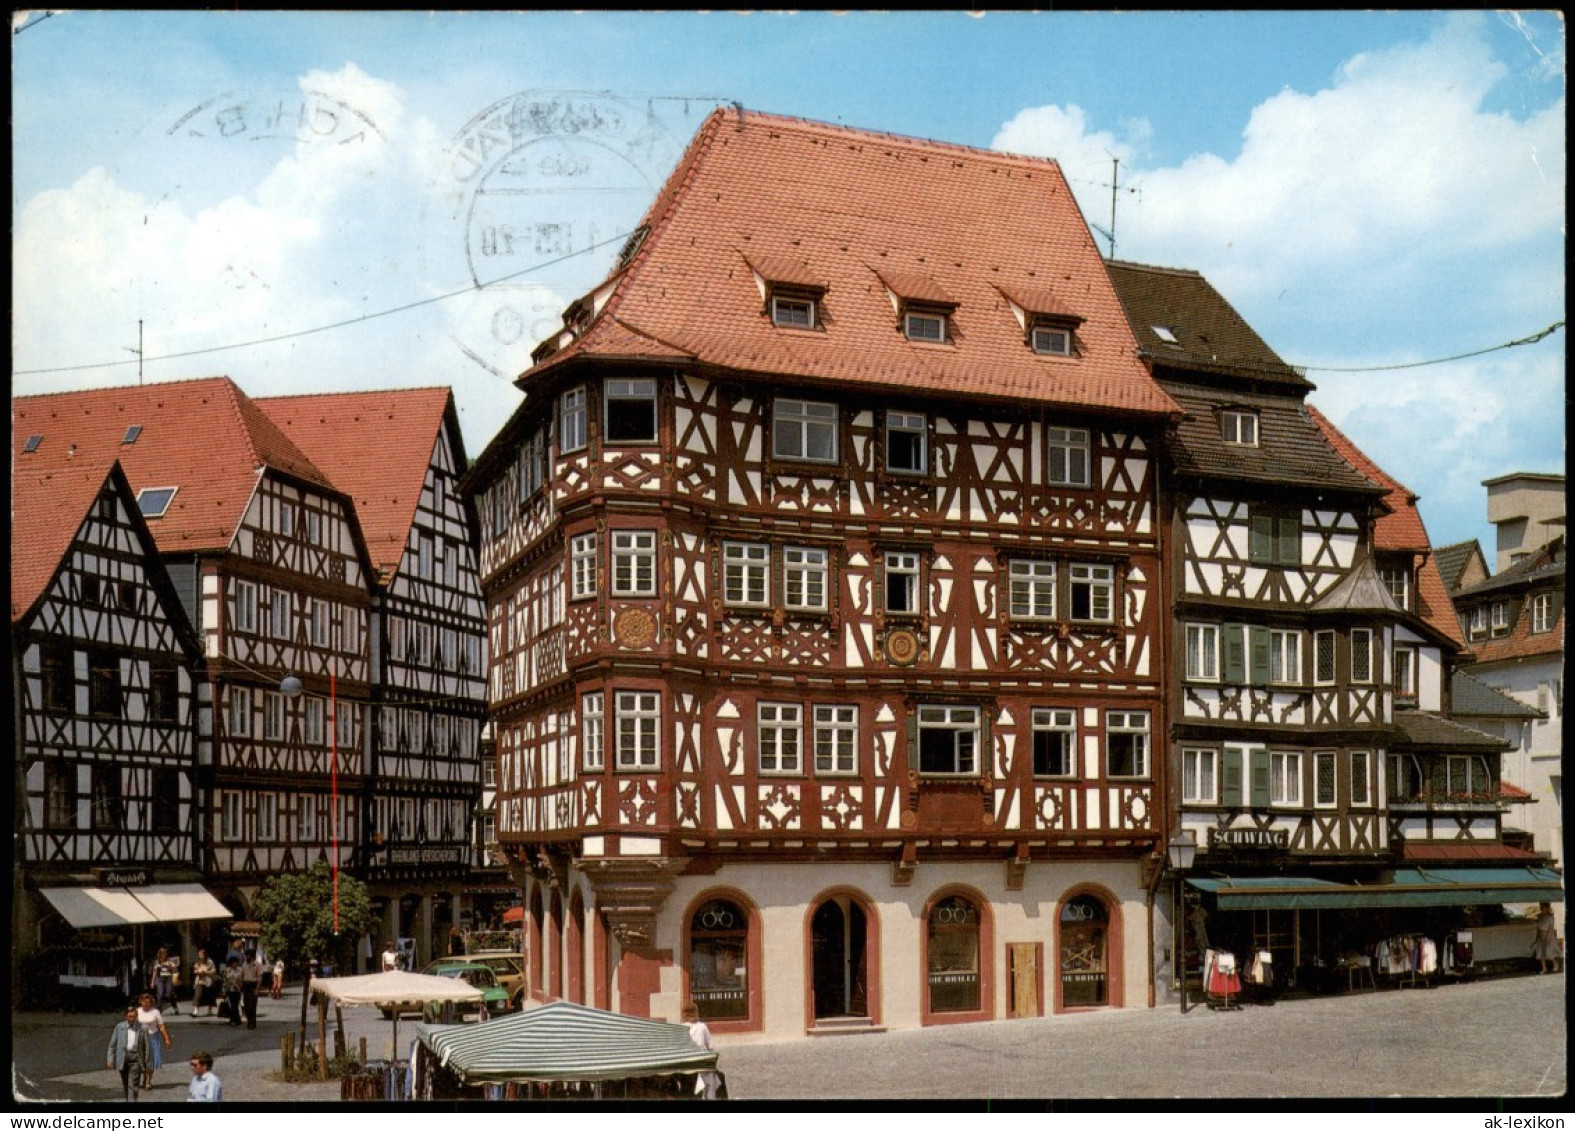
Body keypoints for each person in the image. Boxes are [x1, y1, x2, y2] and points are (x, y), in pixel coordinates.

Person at [106, 1006, 148, 1102]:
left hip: (136, 1059)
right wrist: (110, 1060)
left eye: (133, 1016)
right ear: (125, 1016)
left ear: (136, 1016)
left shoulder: (142, 1028)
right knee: (126, 1084)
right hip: (123, 1058)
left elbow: (147, 1048)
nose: (131, 1019)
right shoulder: (119, 1027)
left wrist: (146, 1064)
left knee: (133, 1085)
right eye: (129, 1016)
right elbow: (112, 1045)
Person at [681, 1001, 721, 1101]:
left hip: (686, 1065)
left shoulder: (681, 1027)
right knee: (716, 1076)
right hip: (701, 1064)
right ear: (696, 1012)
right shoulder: (702, 1027)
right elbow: (710, 1047)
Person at [135, 991, 172, 1091]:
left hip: (152, 1037)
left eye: (147, 1002)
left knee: (150, 1060)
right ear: (140, 1002)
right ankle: (144, 1078)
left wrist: (166, 1039)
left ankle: (148, 1081)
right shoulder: (137, 1011)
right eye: (143, 1002)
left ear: (151, 1002)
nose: (145, 1004)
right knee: (141, 1060)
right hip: (140, 1038)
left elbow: (161, 1026)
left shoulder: (155, 1012)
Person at [1534, 903, 1562, 974]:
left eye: (1544, 908)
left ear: (1547, 908)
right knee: (1540, 952)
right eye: (1542, 908)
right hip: (1541, 935)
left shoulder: (1550, 917)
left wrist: (1548, 939)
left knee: (1549, 952)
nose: (1543, 909)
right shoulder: (1540, 917)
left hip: (1548, 935)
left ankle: (1556, 964)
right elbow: (1538, 928)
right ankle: (1544, 968)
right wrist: (1537, 938)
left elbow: (1551, 929)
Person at [150, 946, 179, 1014]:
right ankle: (159, 1009)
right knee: (160, 994)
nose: (165, 954)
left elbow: (175, 969)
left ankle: (175, 1006)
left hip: (168, 978)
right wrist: (152, 982)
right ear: (160, 954)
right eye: (163, 953)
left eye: (165, 952)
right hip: (160, 979)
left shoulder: (170, 961)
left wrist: (170, 968)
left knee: (169, 994)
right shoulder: (157, 962)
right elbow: (154, 972)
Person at [191, 949, 218, 1018]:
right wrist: (197, 971)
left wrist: (206, 972)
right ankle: (195, 1011)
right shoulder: (198, 961)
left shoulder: (210, 961)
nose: (200, 956)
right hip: (199, 980)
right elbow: (195, 970)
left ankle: (210, 1010)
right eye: (199, 955)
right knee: (198, 995)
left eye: (201, 954)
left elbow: (213, 971)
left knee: (209, 995)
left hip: (207, 980)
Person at [240, 949, 263, 1029]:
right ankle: (249, 1021)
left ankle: (252, 1023)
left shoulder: (257, 964)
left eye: (249, 955)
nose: (247, 957)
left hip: (253, 985)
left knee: (252, 1005)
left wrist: (257, 989)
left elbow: (260, 977)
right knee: (246, 1005)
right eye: (246, 955)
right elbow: (242, 976)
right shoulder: (244, 964)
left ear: (252, 956)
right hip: (246, 985)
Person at [222, 956, 244, 1027]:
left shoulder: (239, 970)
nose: (235, 964)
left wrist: (240, 988)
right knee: (232, 1005)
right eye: (234, 963)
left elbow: (241, 980)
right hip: (230, 989)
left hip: (237, 990)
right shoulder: (227, 970)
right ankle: (234, 1019)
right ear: (231, 964)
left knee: (236, 1005)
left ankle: (236, 1019)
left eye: (236, 963)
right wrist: (224, 991)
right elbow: (226, 980)